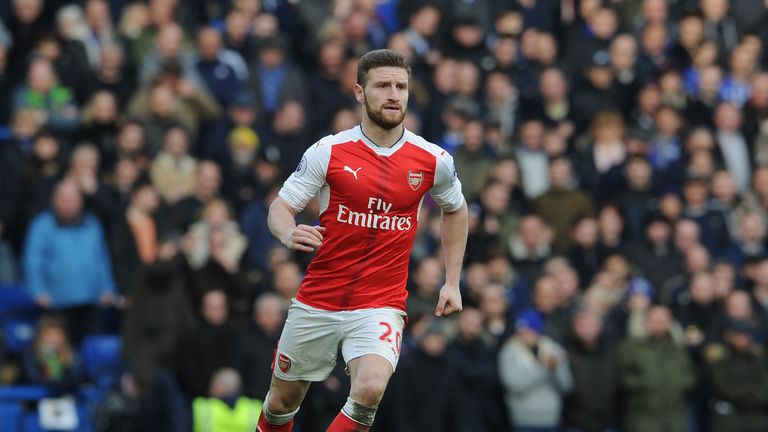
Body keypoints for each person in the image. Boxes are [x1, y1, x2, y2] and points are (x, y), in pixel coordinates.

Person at [259, 49, 468, 432]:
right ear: (359, 92)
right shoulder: (329, 151)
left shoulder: (432, 159)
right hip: (319, 298)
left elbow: (455, 208)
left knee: (370, 388)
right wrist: (288, 231)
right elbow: (280, 207)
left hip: (381, 303)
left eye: (401, 87)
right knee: (280, 404)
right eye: (383, 85)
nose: (393, 95)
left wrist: (452, 281)